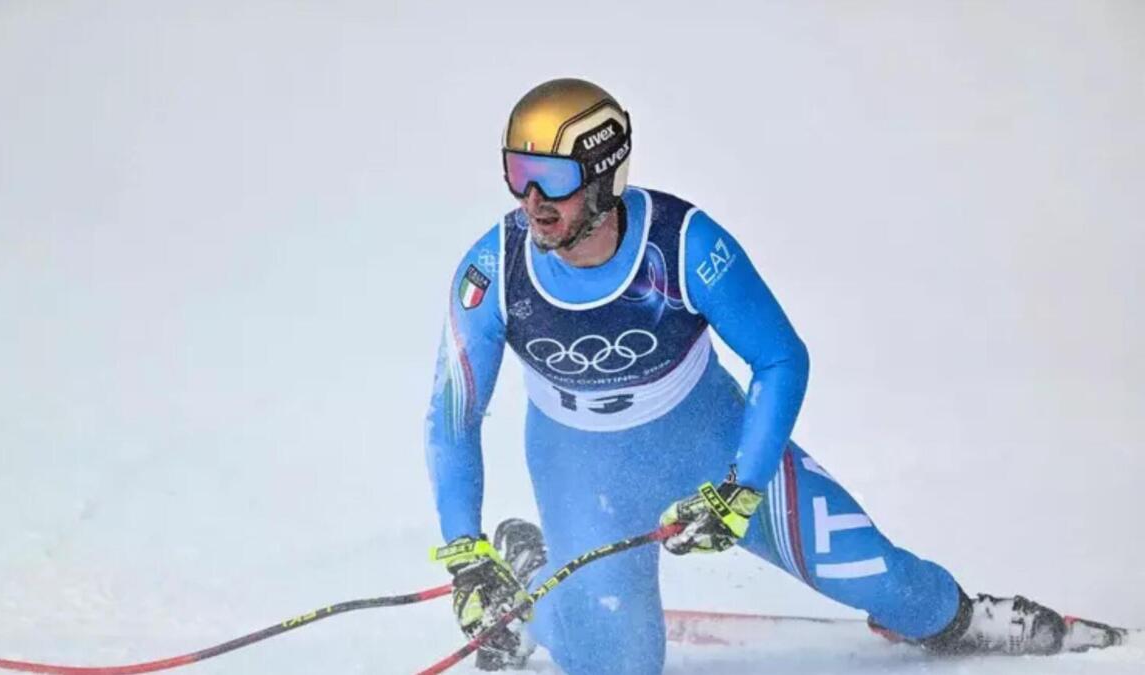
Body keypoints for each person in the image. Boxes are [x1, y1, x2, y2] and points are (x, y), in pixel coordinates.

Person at [423, 78, 1124, 674]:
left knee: (887, 581)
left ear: (605, 176)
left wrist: (742, 485)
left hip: (710, 442)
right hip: (582, 472)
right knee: (619, 665)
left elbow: (782, 357)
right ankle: (533, 578)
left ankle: (966, 618)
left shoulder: (684, 244)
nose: (533, 200)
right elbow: (453, 415)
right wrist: (465, 551)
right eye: (518, 172)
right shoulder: (494, 269)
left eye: (554, 179)